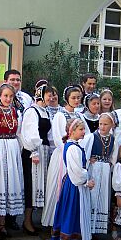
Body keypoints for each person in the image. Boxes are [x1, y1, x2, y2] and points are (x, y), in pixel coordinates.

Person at [42, 85, 89, 227]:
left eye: (78, 97)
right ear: (67, 98)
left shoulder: (79, 115)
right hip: (62, 155)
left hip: (74, 155)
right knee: (57, 187)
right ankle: (53, 222)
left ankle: (67, 222)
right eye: (73, 97)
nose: (76, 100)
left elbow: (85, 135)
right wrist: (69, 152)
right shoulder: (60, 115)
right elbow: (57, 138)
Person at [0, 83, 24, 239]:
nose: (8, 99)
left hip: (12, 150)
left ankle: (2, 223)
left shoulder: (15, 112)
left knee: (8, 186)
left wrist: (17, 152)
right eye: (5, 95)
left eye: (11, 96)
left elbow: (19, 133)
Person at [51, 118, 94, 240]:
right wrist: (87, 181)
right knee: (70, 213)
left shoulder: (73, 145)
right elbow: (76, 171)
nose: (84, 132)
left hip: (73, 184)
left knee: (75, 214)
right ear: (72, 131)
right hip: (74, 185)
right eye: (81, 129)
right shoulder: (72, 148)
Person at [21, 80, 52, 236]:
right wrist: (34, 151)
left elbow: (49, 135)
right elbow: (28, 132)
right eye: (48, 94)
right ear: (40, 95)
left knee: (40, 185)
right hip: (33, 152)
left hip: (44, 151)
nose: (51, 97)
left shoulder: (45, 111)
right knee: (31, 184)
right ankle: (26, 221)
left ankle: (32, 219)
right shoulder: (32, 111)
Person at [80, 113, 118, 238]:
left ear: (111, 125)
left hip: (105, 170)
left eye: (105, 124)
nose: (102, 126)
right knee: (92, 195)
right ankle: (88, 228)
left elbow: (113, 157)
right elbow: (83, 151)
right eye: (100, 123)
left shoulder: (113, 139)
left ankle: (98, 229)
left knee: (103, 196)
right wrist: (88, 160)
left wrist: (110, 167)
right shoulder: (92, 137)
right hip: (94, 169)